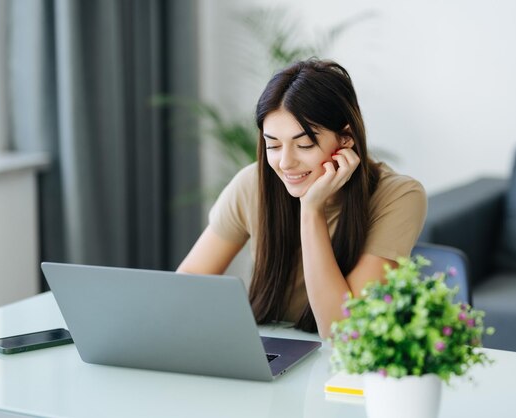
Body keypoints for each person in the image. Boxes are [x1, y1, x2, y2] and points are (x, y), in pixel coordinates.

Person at [177, 59, 426, 338]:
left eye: (304, 145)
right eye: (273, 145)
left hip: (346, 369)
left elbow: (344, 332)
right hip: (271, 355)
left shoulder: (398, 196)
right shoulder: (253, 184)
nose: (285, 163)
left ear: (345, 138)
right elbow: (188, 285)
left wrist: (310, 210)